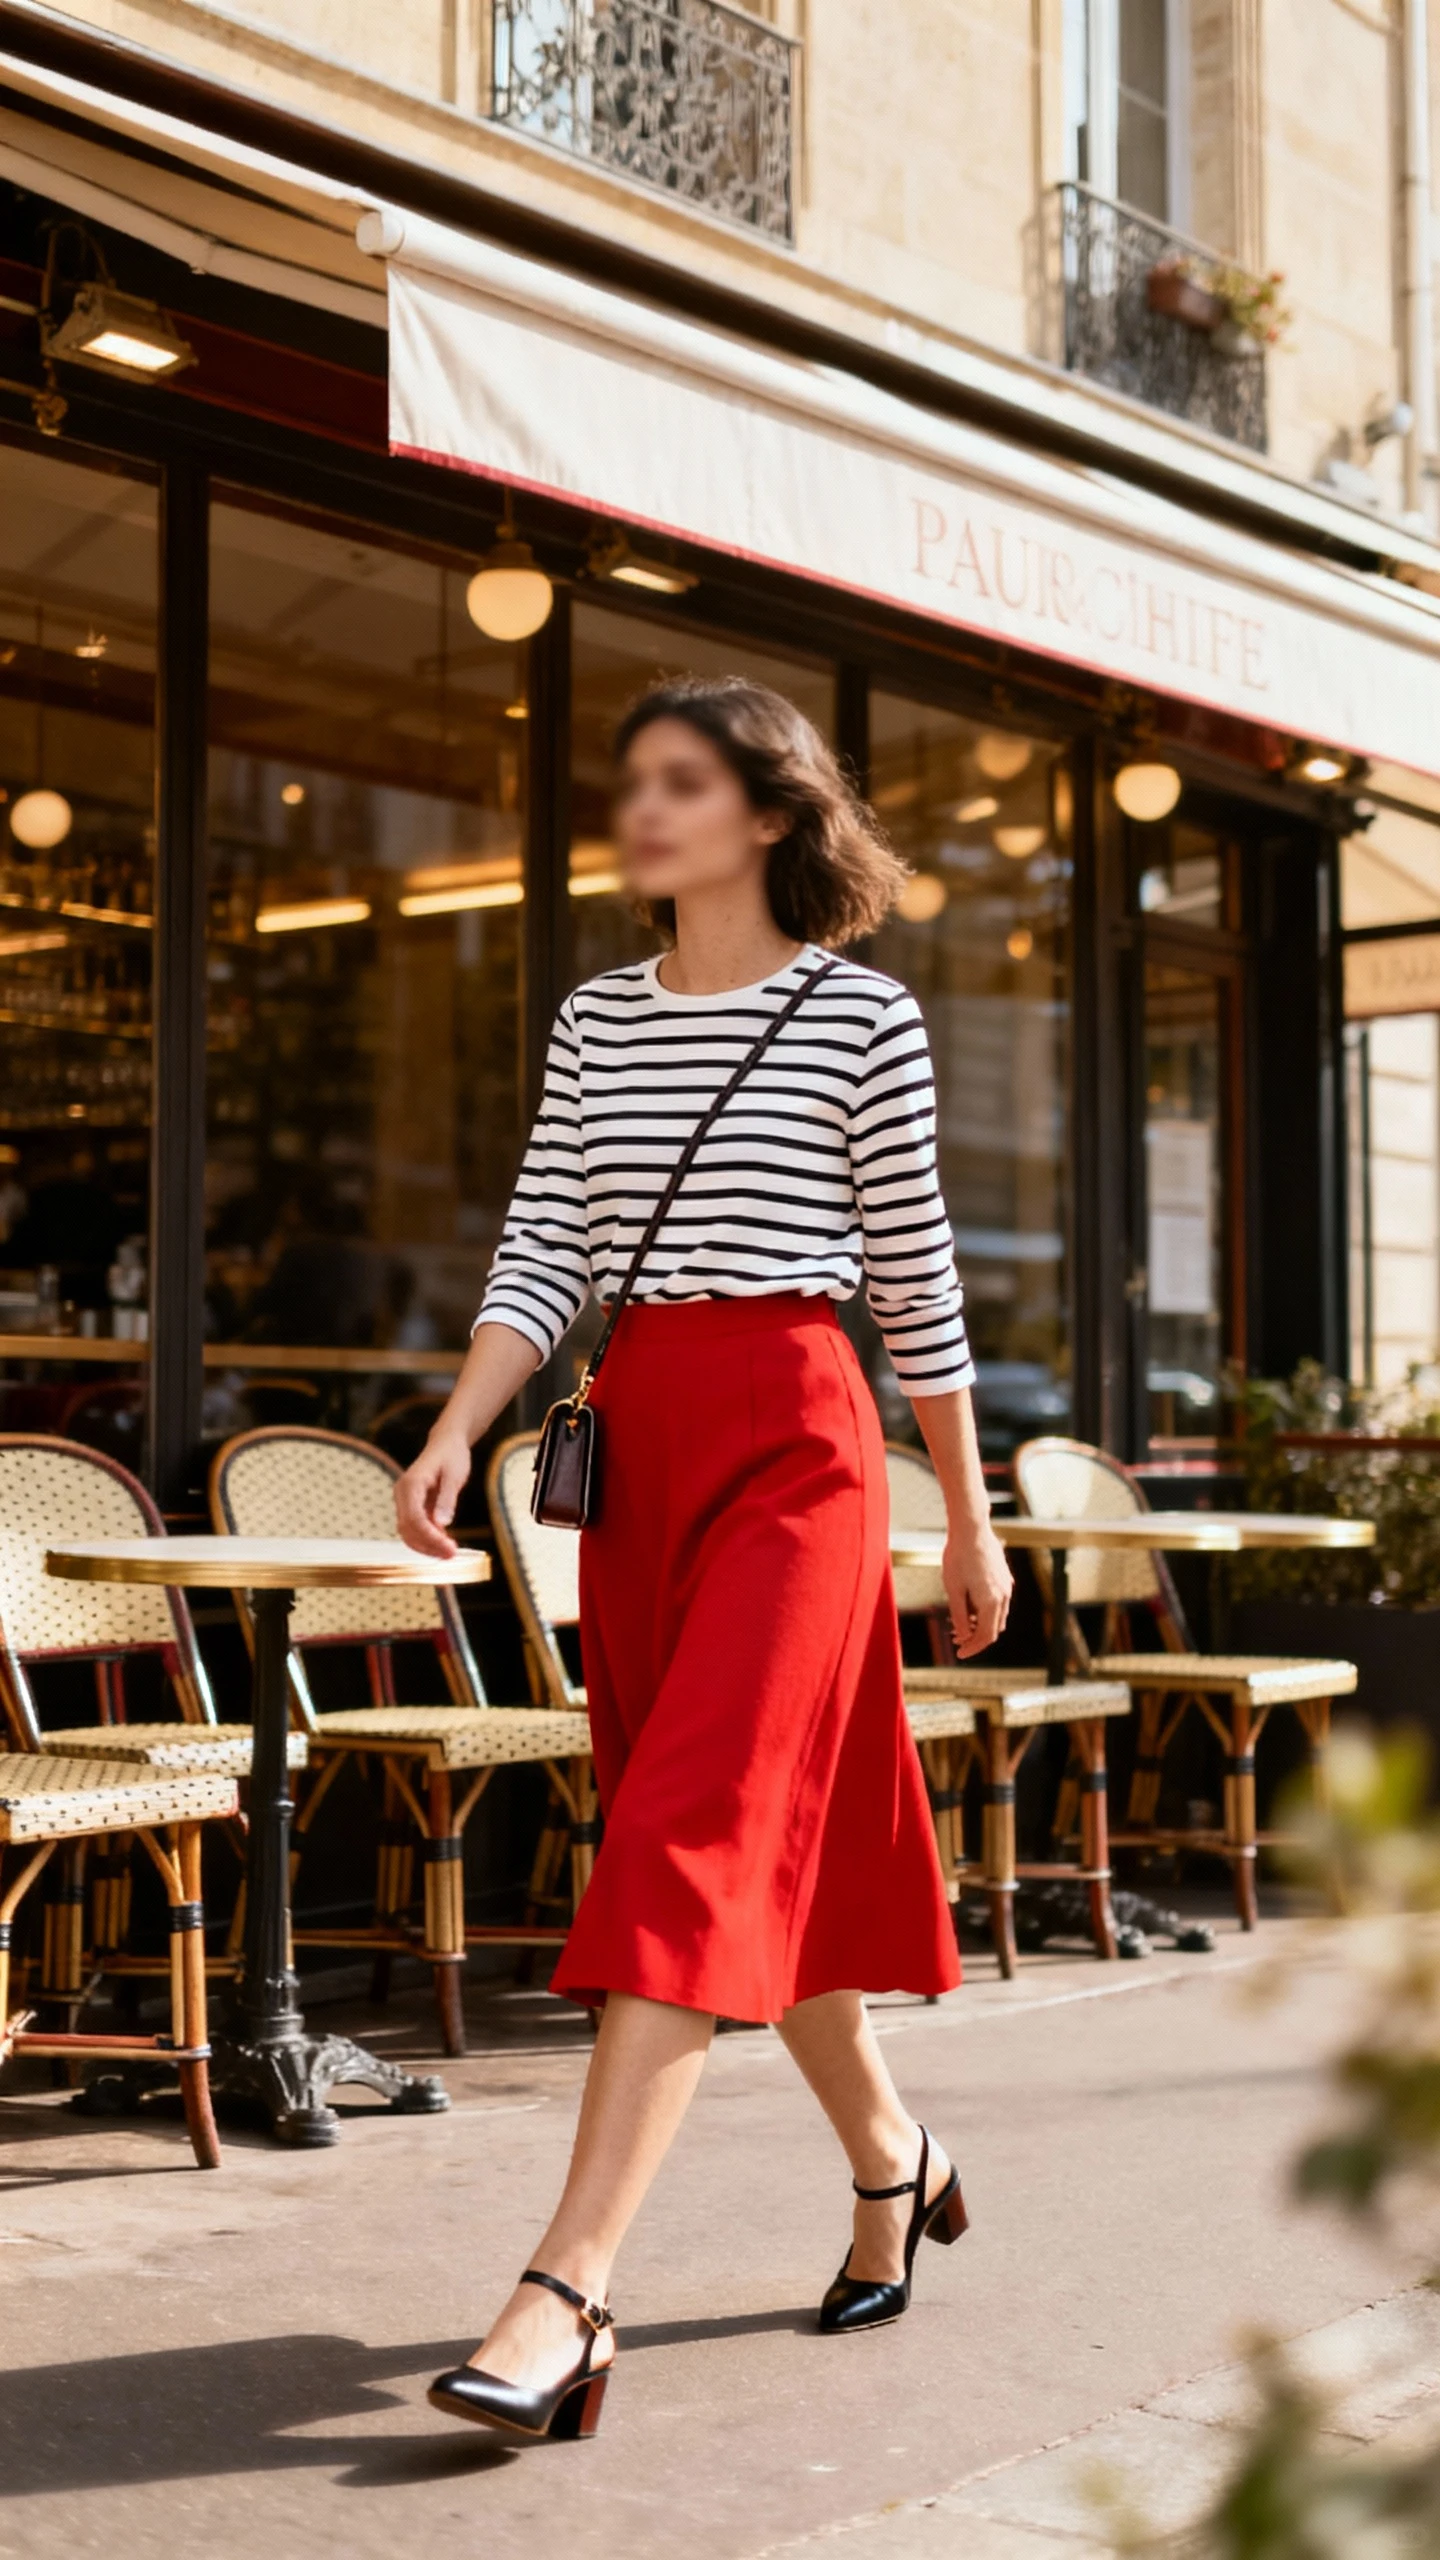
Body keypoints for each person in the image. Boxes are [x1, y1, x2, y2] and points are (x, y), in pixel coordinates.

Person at [395, 676, 1013, 2444]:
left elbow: (917, 1288)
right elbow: (544, 1242)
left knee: (698, 1831)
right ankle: (895, 2163)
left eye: (683, 782)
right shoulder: (600, 1016)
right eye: (634, 783)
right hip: (645, 1441)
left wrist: (965, 1514)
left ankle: (568, 2286)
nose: (643, 809)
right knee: (742, 1846)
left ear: (767, 815)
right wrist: (458, 1422)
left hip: (807, 1447)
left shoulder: (861, 1017)